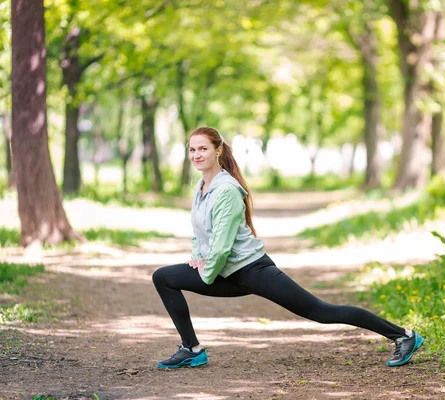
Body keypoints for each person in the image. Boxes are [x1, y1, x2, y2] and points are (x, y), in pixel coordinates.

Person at [152, 126, 424, 369]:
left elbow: (222, 245)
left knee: (321, 311)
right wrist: (197, 258)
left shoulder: (227, 190)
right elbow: (200, 232)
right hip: (225, 272)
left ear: (218, 151)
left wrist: (205, 274)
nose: (197, 155)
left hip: (252, 271)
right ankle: (192, 349)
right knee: (163, 277)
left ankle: (403, 335)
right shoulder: (201, 185)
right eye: (192, 149)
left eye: (203, 149)